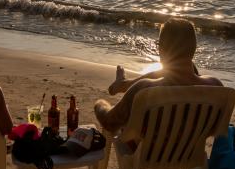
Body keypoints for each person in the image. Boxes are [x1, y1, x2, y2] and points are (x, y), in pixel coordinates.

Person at [94, 19, 222, 133]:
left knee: (171, 71)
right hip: (191, 155)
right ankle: (123, 84)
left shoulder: (144, 89)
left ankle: (123, 84)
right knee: (176, 70)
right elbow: (215, 129)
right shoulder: (215, 86)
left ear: (162, 49)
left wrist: (100, 105)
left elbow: (109, 123)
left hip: (147, 156)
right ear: (193, 48)